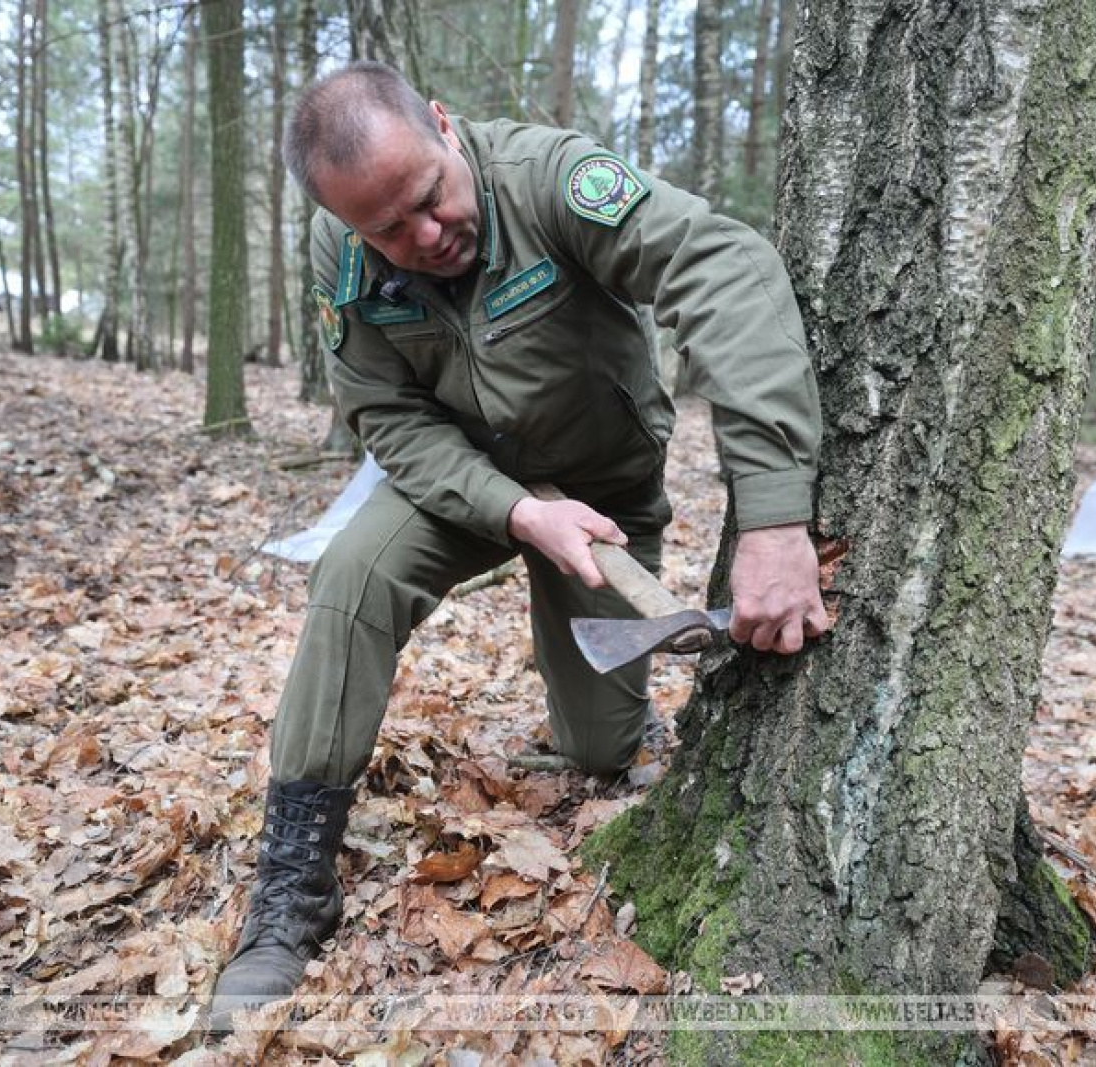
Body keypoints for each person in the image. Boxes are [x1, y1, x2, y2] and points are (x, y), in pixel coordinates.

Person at [211, 61, 828, 1023]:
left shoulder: (551, 181)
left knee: (597, 748)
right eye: (387, 230)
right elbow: (387, 414)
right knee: (351, 575)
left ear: (446, 129)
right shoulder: (341, 250)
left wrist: (777, 516)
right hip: (467, 480)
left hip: (603, 490)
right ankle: (293, 887)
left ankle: (618, 719)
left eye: (429, 199)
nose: (423, 238)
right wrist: (513, 508)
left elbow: (724, 267)